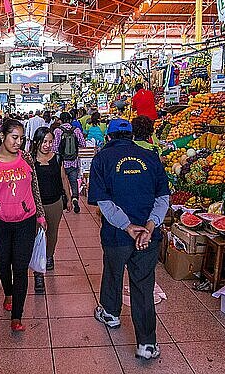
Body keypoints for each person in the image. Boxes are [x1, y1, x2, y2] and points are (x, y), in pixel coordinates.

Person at [88, 118, 170, 361]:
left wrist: (127, 227)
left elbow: (104, 203)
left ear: (109, 137)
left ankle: (111, 314)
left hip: (116, 235)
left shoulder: (101, 159)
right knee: (143, 285)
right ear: (132, 136)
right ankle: (146, 344)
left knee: (113, 273)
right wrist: (148, 226)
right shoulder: (152, 157)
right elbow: (163, 197)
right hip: (148, 236)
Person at [0, 119, 46, 332]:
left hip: (26, 220)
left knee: (21, 268)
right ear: (3, 135)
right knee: (5, 262)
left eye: (21, 138)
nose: (18, 142)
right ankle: (8, 292)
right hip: (0, 221)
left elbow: (35, 188)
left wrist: (40, 215)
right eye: (14, 137)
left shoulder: (27, 158)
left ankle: (17, 316)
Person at [30, 126, 72, 293]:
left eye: (50, 141)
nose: (47, 145)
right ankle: (38, 271)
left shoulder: (57, 158)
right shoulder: (30, 160)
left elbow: (63, 178)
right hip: (35, 205)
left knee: (52, 233)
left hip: (55, 203)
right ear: (36, 142)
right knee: (36, 236)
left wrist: (69, 198)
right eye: (44, 141)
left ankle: (49, 256)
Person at [52, 112, 86, 213]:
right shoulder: (76, 130)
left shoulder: (57, 131)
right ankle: (75, 199)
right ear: (70, 120)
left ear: (60, 120)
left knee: (62, 182)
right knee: (73, 181)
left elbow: (55, 148)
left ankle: (65, 201)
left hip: (62, 163)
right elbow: (83, 143)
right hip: (74, 161)